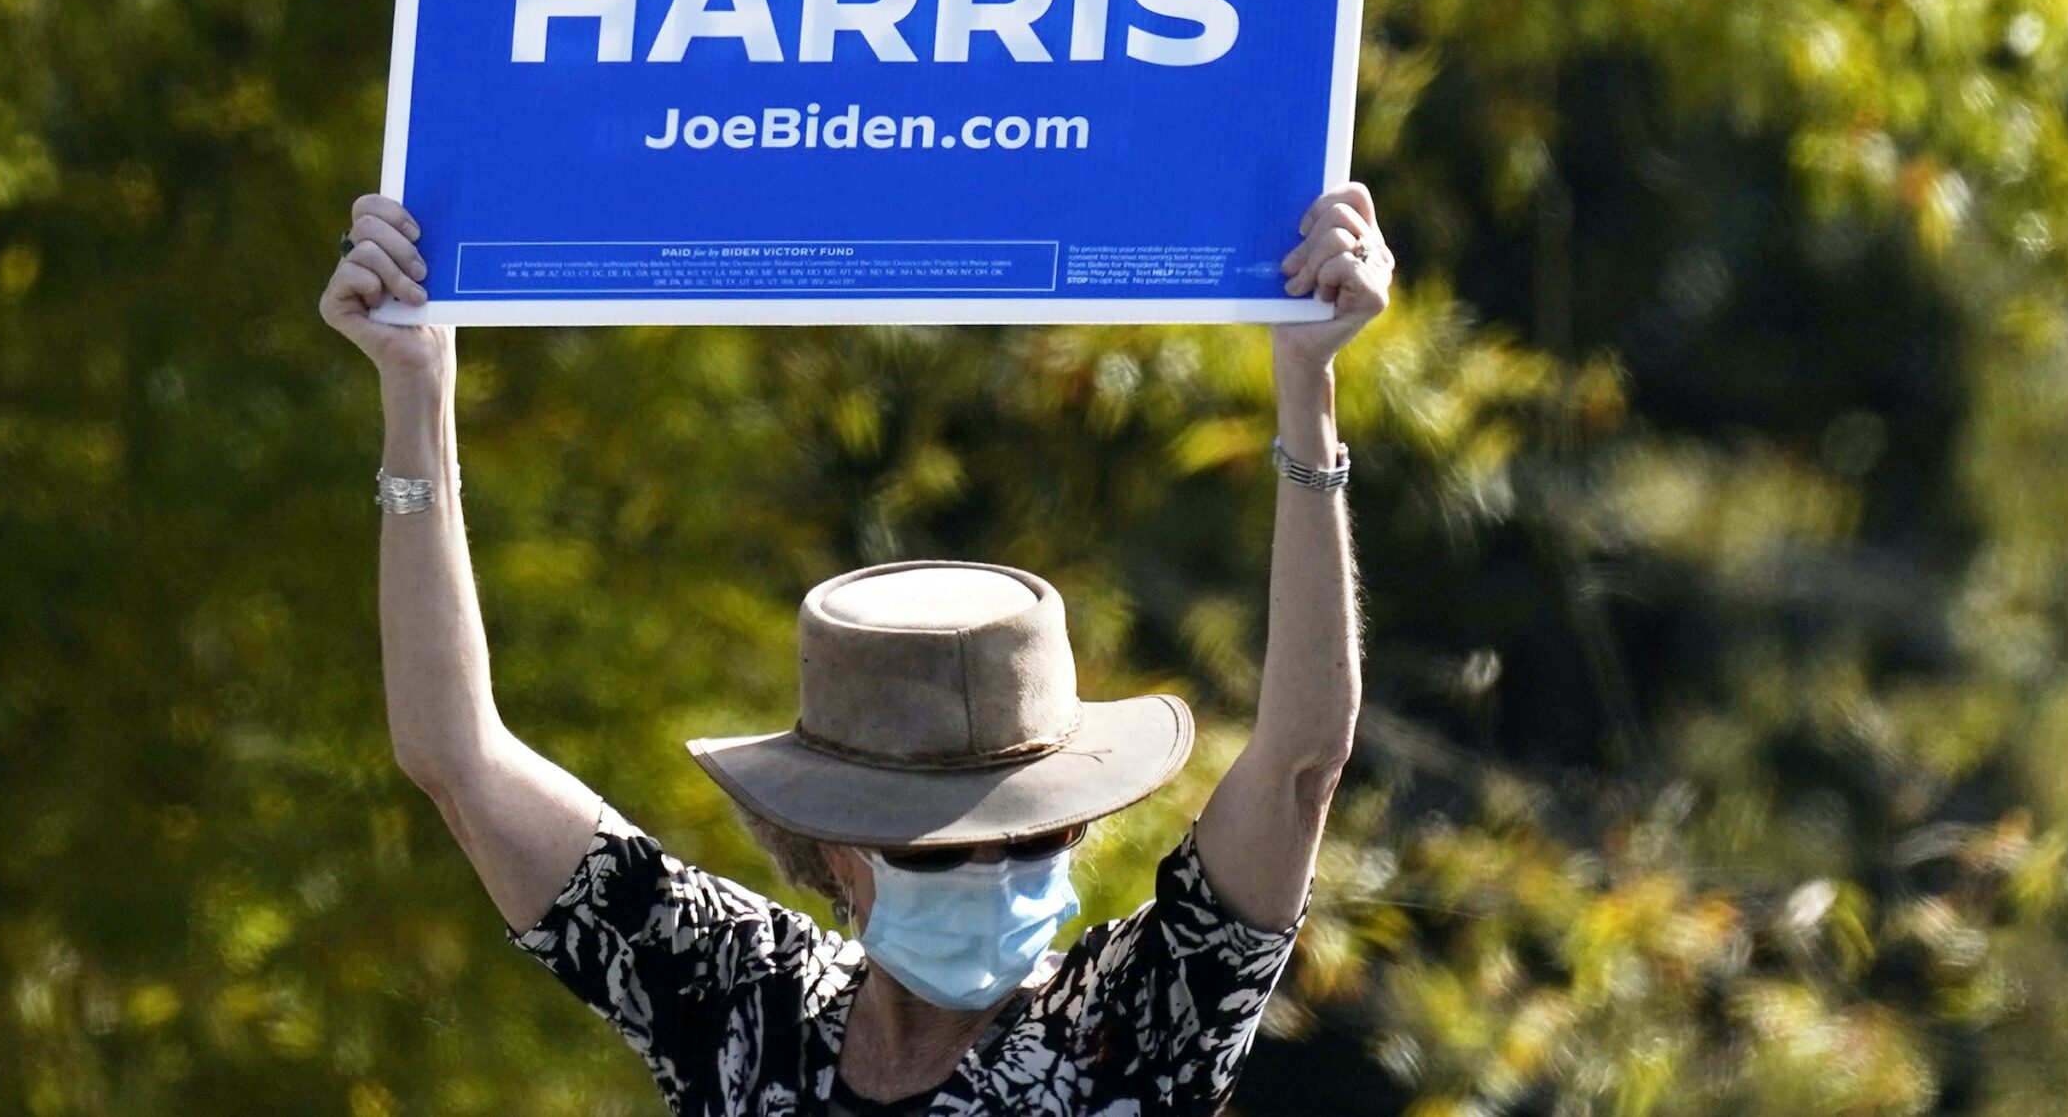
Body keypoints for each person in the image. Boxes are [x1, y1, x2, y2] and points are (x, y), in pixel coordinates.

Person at [320, 185, 1395, 1115]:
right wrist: (414, 391)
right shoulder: (749, 1002)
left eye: (1029, 838)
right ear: (834, 845)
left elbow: (1300, 764)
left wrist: (1308, 399)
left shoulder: (1122, 1028)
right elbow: (454, 757)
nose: (992, 873)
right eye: (935, 845)